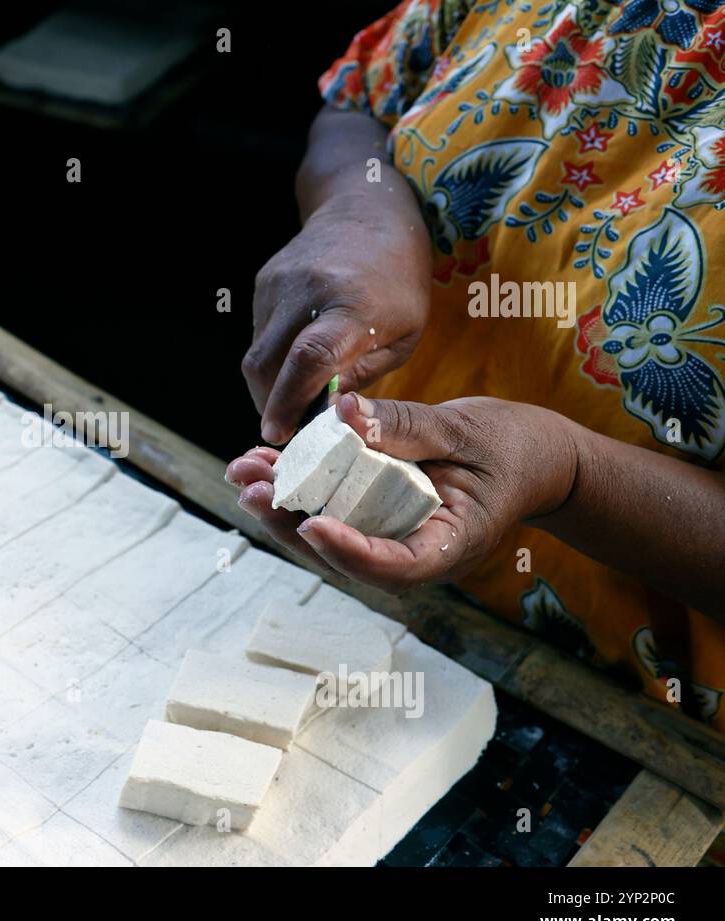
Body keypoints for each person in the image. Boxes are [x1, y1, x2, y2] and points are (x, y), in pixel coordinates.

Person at [227, 0, 725, 727]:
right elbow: (360, 104)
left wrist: (571, 475)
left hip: (638, 720)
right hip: (375, 601)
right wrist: (359, 213)